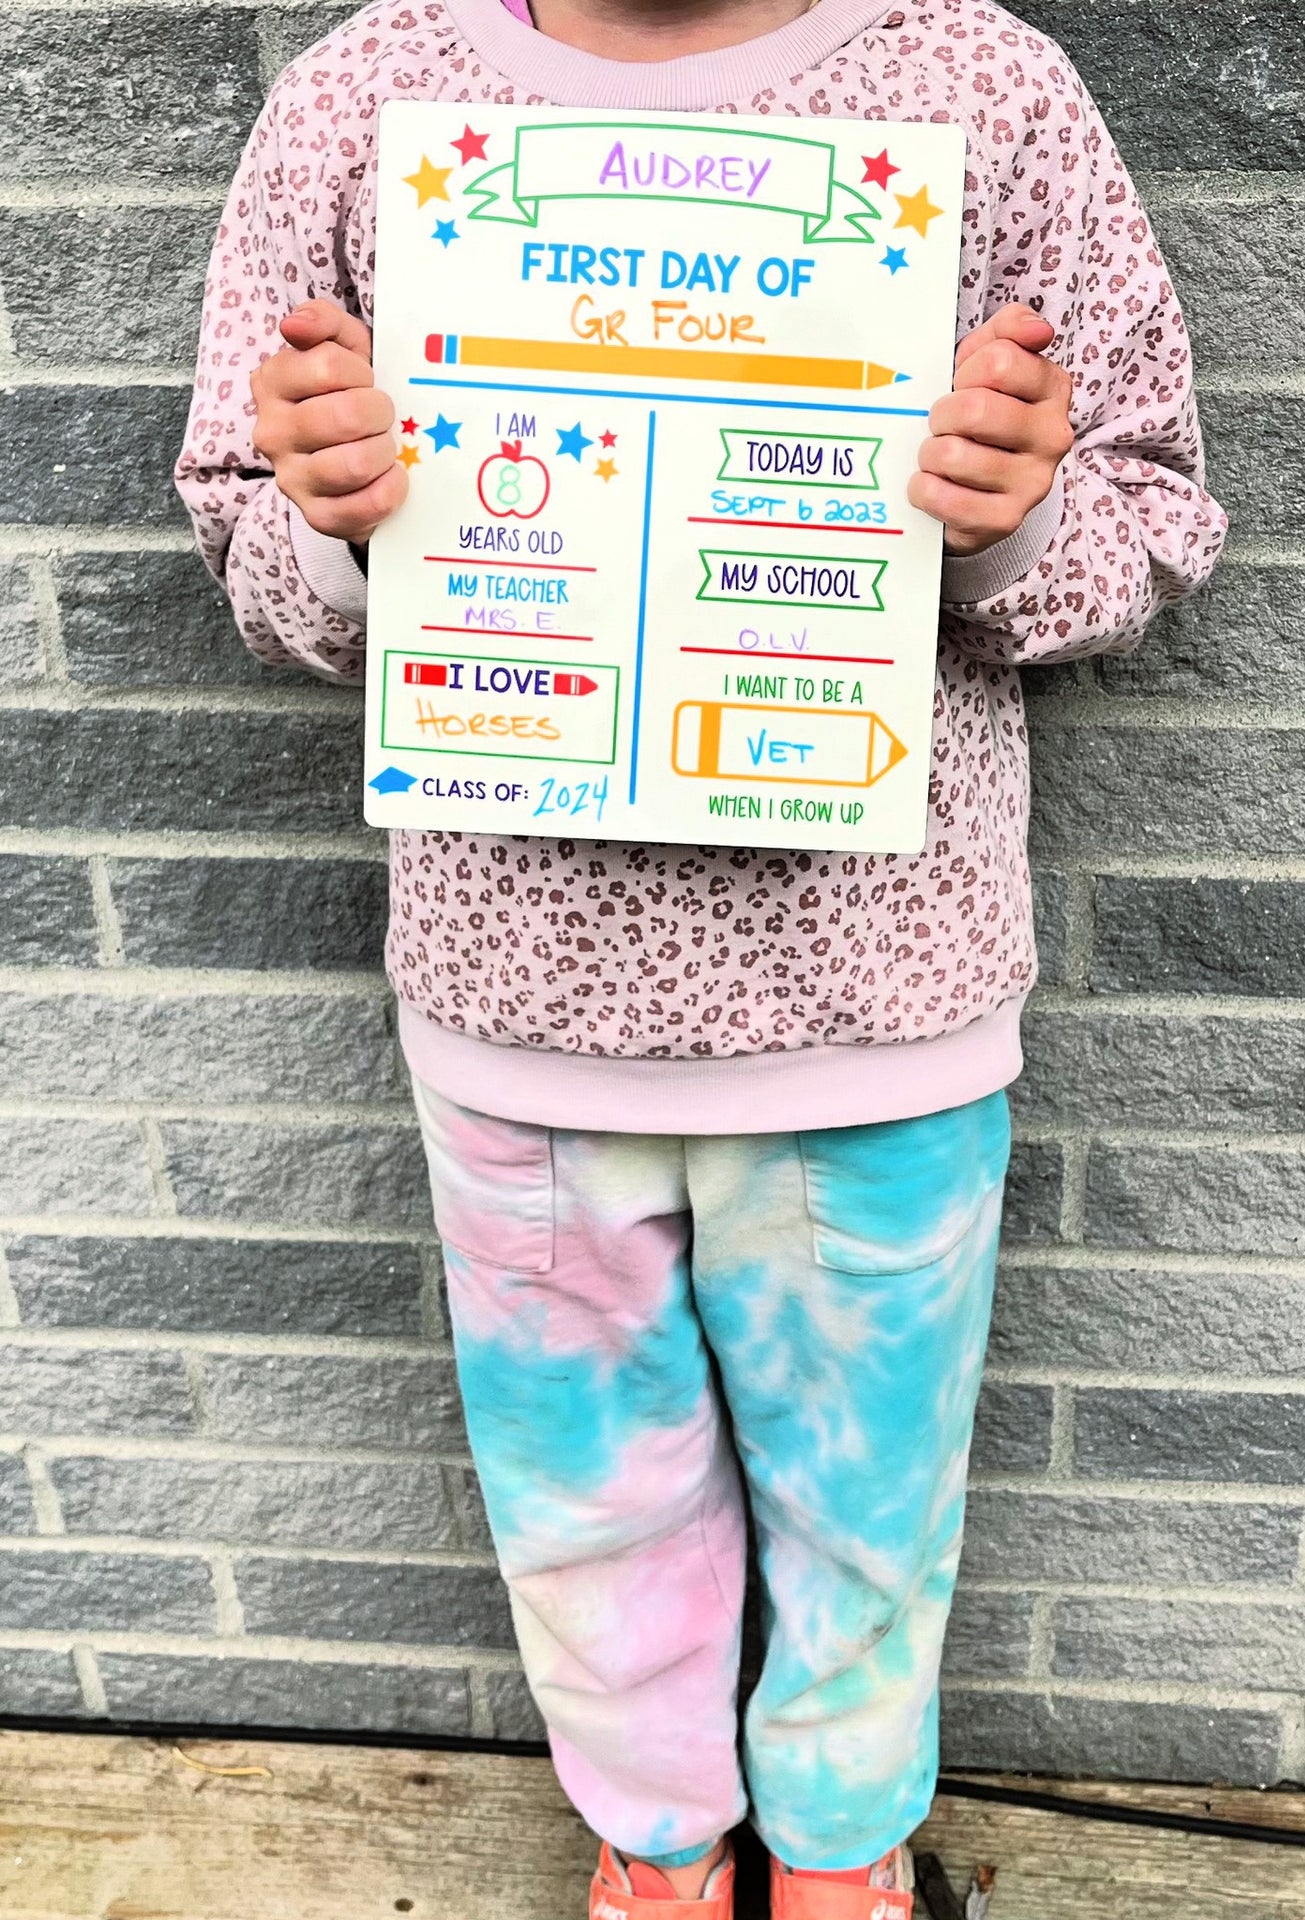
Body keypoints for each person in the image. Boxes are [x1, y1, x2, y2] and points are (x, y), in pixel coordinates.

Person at [177, 2, 1226, 1915]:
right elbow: (241, 529)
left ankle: (841, 1853)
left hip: (875, 1003)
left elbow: (1156, 515)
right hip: (515, 1005)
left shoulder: (979, 84)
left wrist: (1007, 524)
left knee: (871, 1507)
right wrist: (336, 525)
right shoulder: (360, 99)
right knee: (583, 1510)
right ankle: (655, 1842)